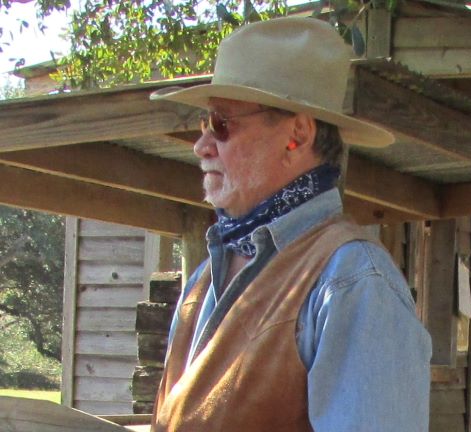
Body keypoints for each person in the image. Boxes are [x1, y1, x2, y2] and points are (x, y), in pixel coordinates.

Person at [150, 17, 431, 432]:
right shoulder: (205, 276)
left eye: (222, 123)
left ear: (296, 134)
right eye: (204, 124)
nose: (202, 145)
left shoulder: (354, 282)